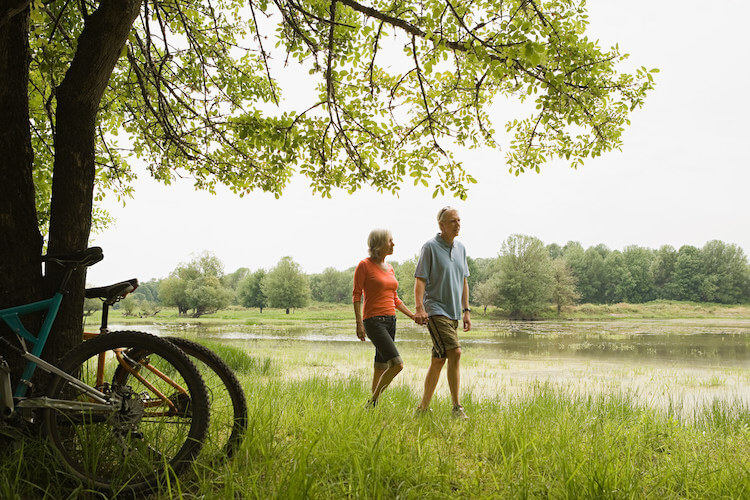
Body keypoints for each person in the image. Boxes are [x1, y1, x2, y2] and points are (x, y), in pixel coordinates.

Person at [413, 206, 471, 419]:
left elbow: (464, 280)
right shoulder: (429, 247)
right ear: (441, 225)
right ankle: (457, 407)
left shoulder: (461, 248)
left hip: (454, 312)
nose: (458, 224)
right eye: (453, 221)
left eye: (459, 220)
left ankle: (422, 409)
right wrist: (420, 309)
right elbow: (420, 280)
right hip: (435, 310)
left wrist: (466, 310)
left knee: (438, 360)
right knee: (455, 352)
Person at [353, 229, 415, 407]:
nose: (394, 244)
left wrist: (412, 316)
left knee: (380, 366)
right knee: (397, 364)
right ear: (379, 245)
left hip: (391, 321)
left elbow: (395, 298)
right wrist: (359, 323)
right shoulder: (364, 265)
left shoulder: (390, 268)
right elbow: (356, 295)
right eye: (390, 240)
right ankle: (371, 402)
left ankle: (372, 409)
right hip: (373, 321)